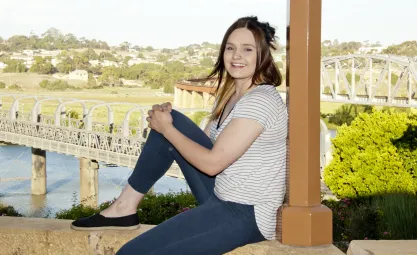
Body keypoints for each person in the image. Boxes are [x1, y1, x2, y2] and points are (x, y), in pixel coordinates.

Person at [71, 16, 288, 255]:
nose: (237, 56)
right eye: (230, 48)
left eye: (248, 49)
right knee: (172, 125)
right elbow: (203, 146)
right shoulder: (231, 95)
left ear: (263, 55)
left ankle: (125, 207)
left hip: (246, 212)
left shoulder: (261, 100)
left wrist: (168, 129)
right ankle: (125, 207)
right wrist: (168, 127)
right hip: (223, 193)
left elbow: (212, 163)